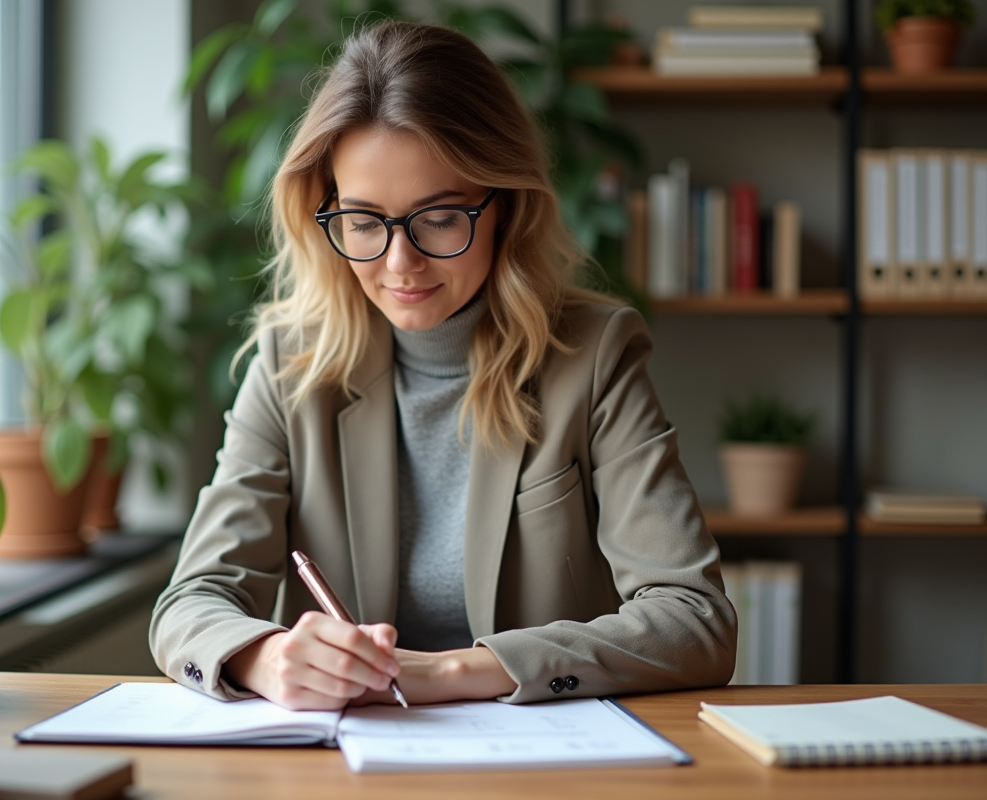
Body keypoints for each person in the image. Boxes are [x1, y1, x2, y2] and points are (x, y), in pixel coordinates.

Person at [150, 19, 736, 710]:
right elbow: (191, 604)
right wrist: (266, 656)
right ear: (326, 212)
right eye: (364, 221)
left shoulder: (595, 355)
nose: (401, 264)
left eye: (438, 217)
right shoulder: (289, 364)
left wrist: (458, 672)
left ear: (505, 207)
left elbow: (694, 620)